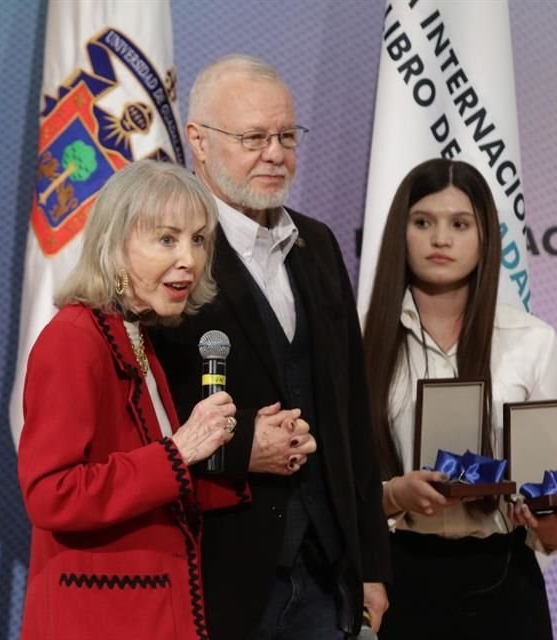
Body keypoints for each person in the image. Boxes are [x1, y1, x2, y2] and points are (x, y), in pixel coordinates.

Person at [151, 55, 391, 640]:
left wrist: (372, 566)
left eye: (286, 135)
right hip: (215, 574)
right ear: (198, 142)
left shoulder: (319, 244)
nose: (275, 153)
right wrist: (235, 453)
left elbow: (351, 414)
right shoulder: (162, 253)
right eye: (254, 137)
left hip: (326, 578)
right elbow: (139, 418)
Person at [17, 159, 296, 639]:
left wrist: (242, 456)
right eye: (167, 239)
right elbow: (52, 495)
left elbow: (148, 481)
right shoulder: (73, 340)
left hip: (152, 611)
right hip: (100, 619)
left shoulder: (133, 336)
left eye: (198, 239)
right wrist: (181, 449)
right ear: (115, 244)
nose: (189, 258)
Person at [361, 158, 557, 639]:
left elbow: (545, 510)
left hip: (505, 580)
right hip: (392, 581)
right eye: (423, 222)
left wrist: (555, 523)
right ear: (399, 232)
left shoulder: (532, 340)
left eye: (459, 224)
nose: (440, 239)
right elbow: (335, 482)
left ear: (486, 235)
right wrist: (391, 496)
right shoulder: (357, 338)